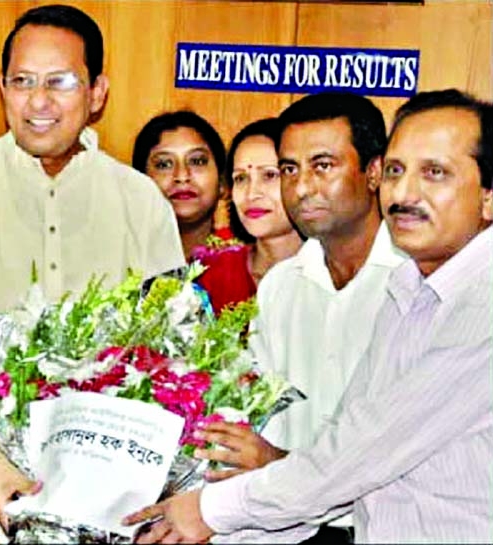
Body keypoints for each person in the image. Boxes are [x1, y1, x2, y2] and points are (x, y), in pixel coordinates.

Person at [125, 88, 493, 544]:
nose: (405, 192)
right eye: (398, 171)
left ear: (488, 196)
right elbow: (339, 450)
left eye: (435, 173)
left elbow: (360, 453)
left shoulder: (481, 307)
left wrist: (207, 514)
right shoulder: (410, 291)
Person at [0, 4, 184, 542]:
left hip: (107, 500)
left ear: (97, 94)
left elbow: (169, 359)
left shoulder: (142, 203)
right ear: (2, 88)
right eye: (22, 82)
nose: (38, 102)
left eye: (60, 82)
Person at [193, 92, 407, 542]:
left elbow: (399, 450)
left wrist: (277, 463)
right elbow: (259, 411)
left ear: (373, 172)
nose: (303, 187)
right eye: (290, 169)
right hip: (279, 526)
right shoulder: (281, 287)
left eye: (323, 165)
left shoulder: (413, 283)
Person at [132, 110, 229, 259]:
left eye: (197, 161)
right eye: (164, 164)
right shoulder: (119, 259)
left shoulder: (248, 262)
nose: (182, 176)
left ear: (222, 182)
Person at [225, 118, 302, 285]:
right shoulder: (209, 278)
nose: (251, 194)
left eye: (269, 175)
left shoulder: (339, 277)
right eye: (241, 178)